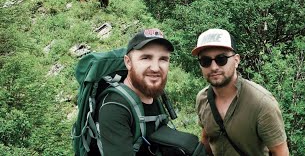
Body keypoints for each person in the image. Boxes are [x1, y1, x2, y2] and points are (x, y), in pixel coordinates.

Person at [192, 28, 289, 156]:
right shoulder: (202, 99)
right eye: (205, 61)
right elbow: (206, 140)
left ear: (236, 60)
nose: (214, 67)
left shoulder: (262, 104)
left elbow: (280, 152)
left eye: (221, 59)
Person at [95, 28, 174, 156]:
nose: (155, 68)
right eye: (146, 58)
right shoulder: (114, 107)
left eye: (163, 59)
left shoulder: (153, 95)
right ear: (128, 62)